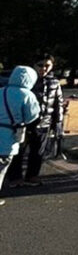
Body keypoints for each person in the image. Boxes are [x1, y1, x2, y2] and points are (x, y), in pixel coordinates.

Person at [20, 55, 64, 185]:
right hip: (24, 122)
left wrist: (58, 124)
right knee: (19, 151)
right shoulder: (26, 81)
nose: (44, 68)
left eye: (47, 66)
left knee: (38, 151)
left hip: (44, 121)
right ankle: (15, 177)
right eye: (40, 65)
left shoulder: (54, 82)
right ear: (33, 65)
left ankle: (32, 175)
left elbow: (58, 104)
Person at [1, 66, 41, 206]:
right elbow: (32, 115)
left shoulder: (1, 91)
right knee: (1, 167)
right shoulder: (27, 95)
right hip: (8, 136)